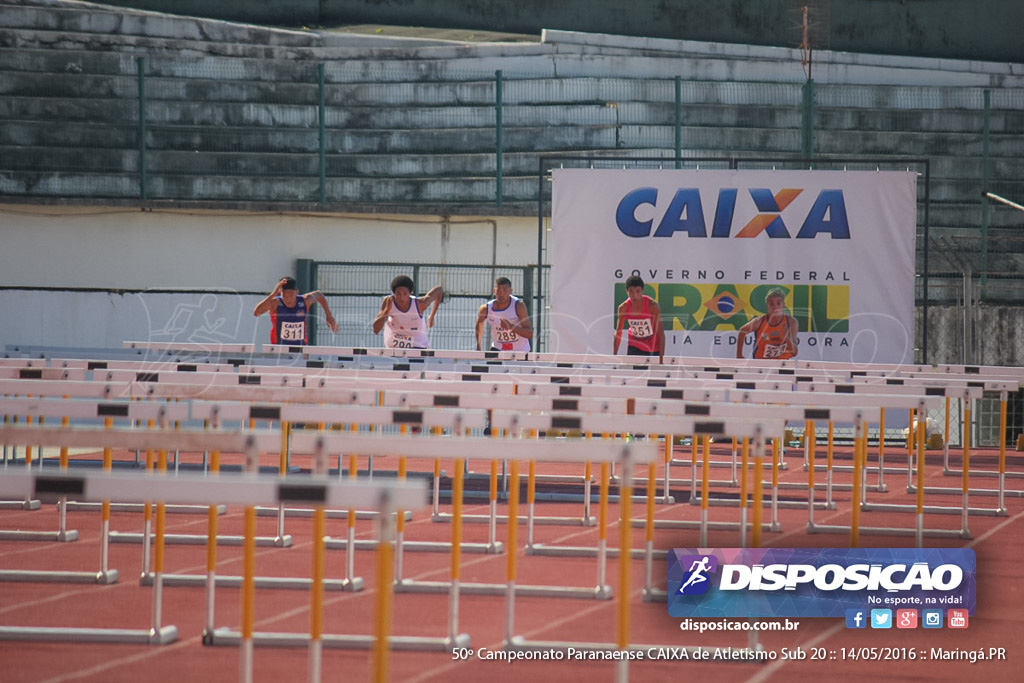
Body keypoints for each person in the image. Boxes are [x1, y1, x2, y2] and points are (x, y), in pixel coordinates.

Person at [252, 276, 338, 345]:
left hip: (301, 347)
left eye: (291, 295)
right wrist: (272, 294)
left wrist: (329, 315)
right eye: (285, 296)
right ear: (279, 293)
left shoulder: (304, 301)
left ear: (297, 292)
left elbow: (319, 295)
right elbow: (257, 313)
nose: (288, 299)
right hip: (279, 348)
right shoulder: (275, 303)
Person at [372, 275, 443, 349]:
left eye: (405, 294)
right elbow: (376, 330)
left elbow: (439, 290)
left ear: (410, 293)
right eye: (398, 294)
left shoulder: (419, 304)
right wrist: (386, 311)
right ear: (393, 293)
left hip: (417, 346)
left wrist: (432, 316)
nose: (401, 298)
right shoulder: (388, 302)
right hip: (394, 348)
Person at [613, 275, 665, 363]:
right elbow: (618, 332)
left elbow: (661, 333)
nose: (634, 295)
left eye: (638, 291)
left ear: (642, 291)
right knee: (634, 375)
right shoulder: (623, 308)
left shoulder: (652, 306)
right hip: (634, 346)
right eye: (631, 291)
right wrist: (614, 357)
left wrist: (661, 360)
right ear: (627, 291)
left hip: (652, 348)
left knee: (651, 376)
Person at [735, 287, 798, 359]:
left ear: (783, 305)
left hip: (782, 364)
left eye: (778, 303)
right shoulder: (759, 321)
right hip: (761, 363)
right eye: (771, 304)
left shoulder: (791, 322)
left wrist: (787, 338)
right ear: (767, 305)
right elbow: (742, 331)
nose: (775, 307)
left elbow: (794, 353)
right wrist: (739, 355)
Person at [475, 276, 532, 352]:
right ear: (494, 291)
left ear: (510, 291)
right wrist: (478, 345)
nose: (501, 294)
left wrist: (511, 327)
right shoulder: (486, 309)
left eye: (505, 290)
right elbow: (479, 325)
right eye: (498, 290)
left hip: (520, 350)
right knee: (491, 361)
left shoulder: (518, 306)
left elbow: (529, 334)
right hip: (498, 348)